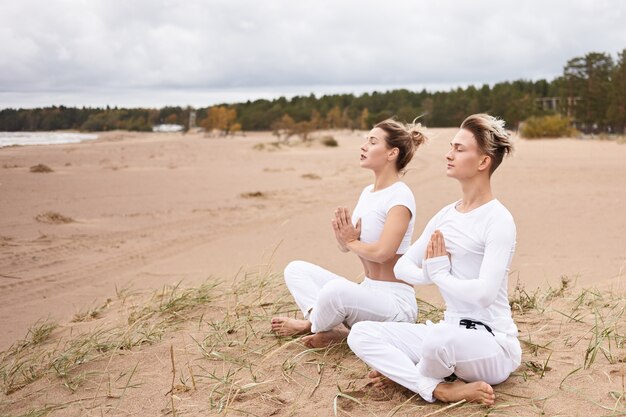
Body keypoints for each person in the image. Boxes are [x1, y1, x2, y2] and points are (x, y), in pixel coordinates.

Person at [347, 113, 520, 406]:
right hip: (447, 330)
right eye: (451, 146)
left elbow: (484, 294)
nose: (448, 154)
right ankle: (437, 388)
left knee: (438, 341)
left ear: (483, 162)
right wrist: (431, 272)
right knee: (361, 334)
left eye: (459, 149)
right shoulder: (446, 215)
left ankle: (412, 377)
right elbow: (403, 266)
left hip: (492, 343)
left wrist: (440, 275)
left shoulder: (498, 219)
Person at [271, 118, 428, 348]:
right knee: (295, 270)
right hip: (368, 290)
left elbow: (383, 253)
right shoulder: (368, 192)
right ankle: (332, 327)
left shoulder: (400, 197)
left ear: (391, 153)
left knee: (336, 291)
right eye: (365, 140)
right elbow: (347, 245)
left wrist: (351, 241)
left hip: (395, 303)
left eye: (372, 142)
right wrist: (343, 239)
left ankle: (312, 324)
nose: (363, 147)